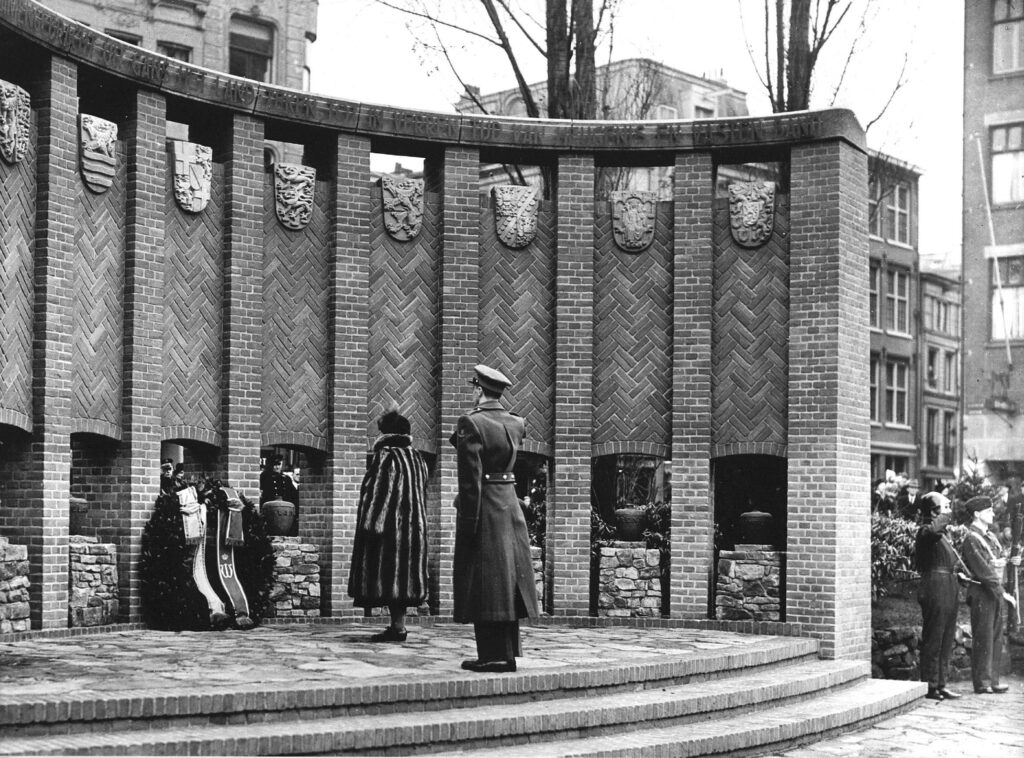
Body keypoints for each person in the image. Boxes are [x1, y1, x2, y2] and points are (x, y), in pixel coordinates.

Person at [451, 365, 539, 673]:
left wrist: (467, 523)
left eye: (473, 388)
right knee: (506, 581)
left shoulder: (470, 423)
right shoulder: (515, 422)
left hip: (485, 507)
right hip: (510, 505)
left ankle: (492, 656)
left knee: (484, 581)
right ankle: (507, 653)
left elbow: (469, 480)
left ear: (478, 390)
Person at [348, 407, 429, 642]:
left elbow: (378, 493)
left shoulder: (387, 456)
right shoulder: (418, 457)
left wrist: (370, 526)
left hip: (390, 531)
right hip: (415, 530)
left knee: (388, 577)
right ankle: (398, 626)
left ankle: (397, 628)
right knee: (403, 582)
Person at [961, 495, 1014, 694]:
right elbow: (983, 571)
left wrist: (1013, 559)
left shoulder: (989, 536)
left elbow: (998, 560)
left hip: (993, 592)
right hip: (982, 592)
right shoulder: (971, 538)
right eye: (988, 510)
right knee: (983, 637)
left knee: (996, 637)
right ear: (977, 514)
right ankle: (982, 682)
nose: (992, 514)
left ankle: (992, 680)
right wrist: (1003, 593)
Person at [914, 492, 961, 701]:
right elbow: (932, 530)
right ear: (934, 511)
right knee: (934, 637)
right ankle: (930, 685)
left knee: (946, 637)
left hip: (948, 585)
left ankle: (941, 683)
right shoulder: (925, 532)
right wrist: (945, 514)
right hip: (935, 586)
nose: (949, 509)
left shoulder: (942, 534)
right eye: (944, 506)